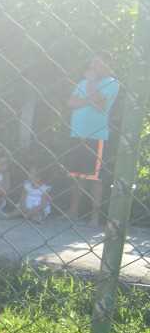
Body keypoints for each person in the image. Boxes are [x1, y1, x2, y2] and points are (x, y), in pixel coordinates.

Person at [65, 52, 119, 224]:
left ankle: (94, 218)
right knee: (77, 175)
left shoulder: (111, 83)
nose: (94, 66)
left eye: (98, 63)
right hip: (77, 133)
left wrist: (90, 85)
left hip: (96, 136)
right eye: (93, 62)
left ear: (107, 65)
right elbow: (71, 103)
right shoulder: (82, 82)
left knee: (96, 179)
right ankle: (73, 212)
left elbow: (100, 105)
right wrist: (90, 98)